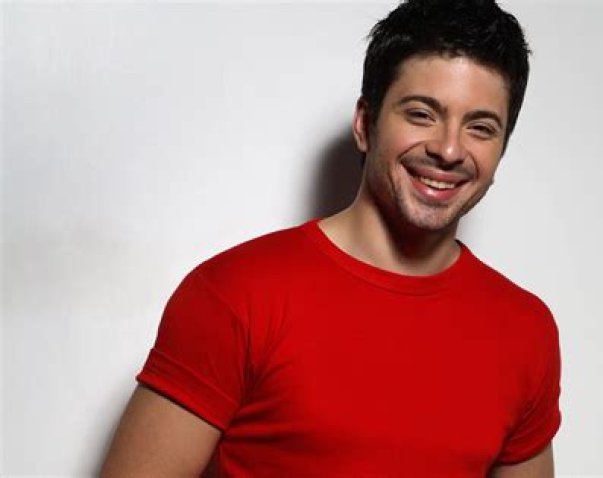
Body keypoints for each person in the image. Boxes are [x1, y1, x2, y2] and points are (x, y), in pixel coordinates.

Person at [101, 0, 562, 476]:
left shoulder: (526, 331)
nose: (448, 149)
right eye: (421, 114)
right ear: (365, 124)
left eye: (480, 128)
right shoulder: (236, 295)